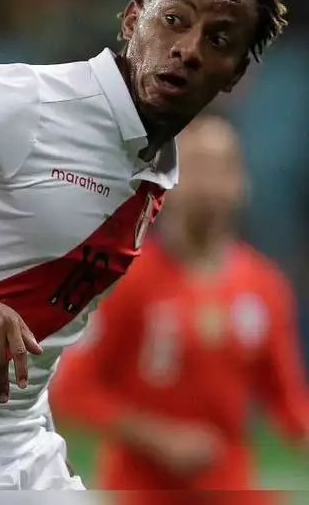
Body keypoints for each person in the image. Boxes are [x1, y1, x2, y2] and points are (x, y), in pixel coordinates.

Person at [0, 0, 289, 489]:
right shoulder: (25, 102)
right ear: (131, 21)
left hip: (15, 445)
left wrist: (41, 443)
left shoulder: (153, 170)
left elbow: (47, 333)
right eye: (174, 20)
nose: (190, 48)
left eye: (218, 39)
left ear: (236, 74)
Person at [50, 115, 309, 504]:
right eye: (197, 168)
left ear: (242, 184)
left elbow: (287, 403)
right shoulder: (128, 281)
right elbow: (72, 391)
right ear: (168, 183)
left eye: (221, 169)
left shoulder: (265, 286)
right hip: (142, 491)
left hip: (231, 488)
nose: (209, 185)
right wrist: (158, 438)